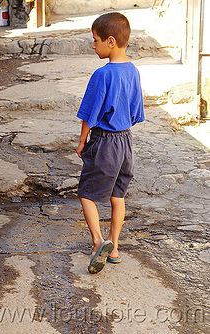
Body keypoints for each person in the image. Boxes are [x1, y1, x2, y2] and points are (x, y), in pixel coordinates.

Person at [75, 12, 145, 274]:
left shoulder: (102, 75)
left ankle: (97, 242)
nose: (93, 46)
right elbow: (137, 112)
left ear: (111, 41)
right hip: (126, 141)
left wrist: (82, 142)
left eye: (95, 41)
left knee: (86, 194)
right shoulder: (133, 71)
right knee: (118, 196)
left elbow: (89, 115)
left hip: (104, 142)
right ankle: (114, 247)